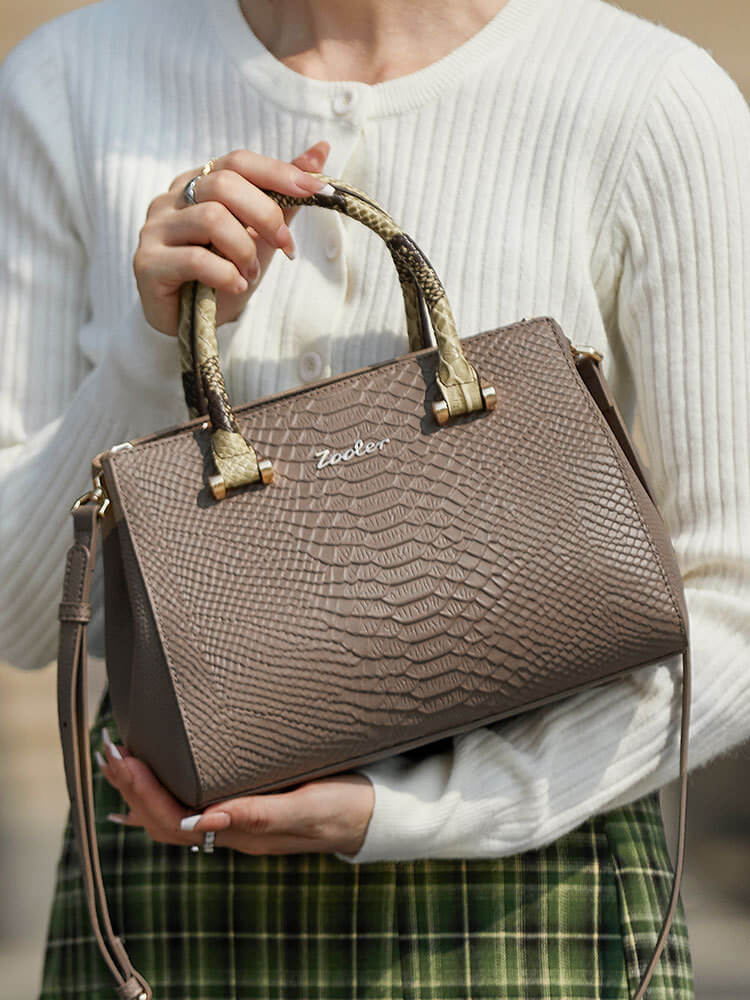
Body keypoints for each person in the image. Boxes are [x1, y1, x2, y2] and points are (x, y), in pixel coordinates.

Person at [1, 0, 748, 995]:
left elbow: (734, 597)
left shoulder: (646, 98)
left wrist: (431, 808)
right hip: (172, 891)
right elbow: (20, 615)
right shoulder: (70, 81)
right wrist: (153, 349)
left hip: (538, 889)